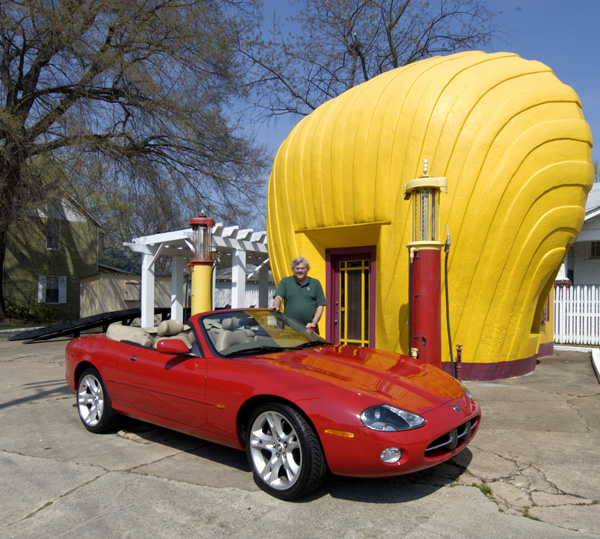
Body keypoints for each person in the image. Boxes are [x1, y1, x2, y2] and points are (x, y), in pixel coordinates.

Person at [271, 257, 326, 332]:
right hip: (290, 328)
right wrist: (276, 306)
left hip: (309, 328)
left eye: (302, 268)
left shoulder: (315, 283)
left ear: (307, 269)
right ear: (293, 270)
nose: (300, 271)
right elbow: (278, 297)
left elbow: (320, 306)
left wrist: (314, 322)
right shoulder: (285, 282)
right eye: (297, 268)